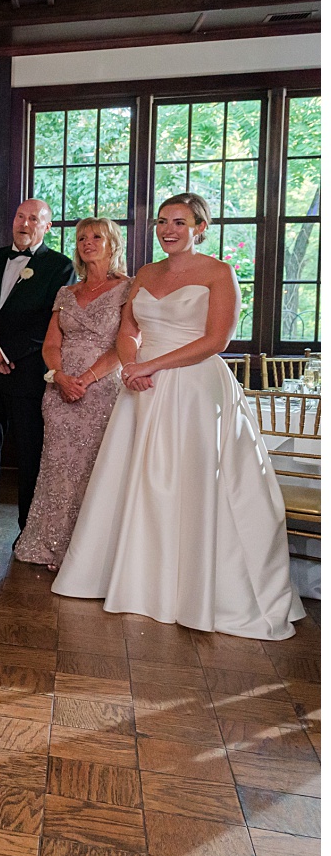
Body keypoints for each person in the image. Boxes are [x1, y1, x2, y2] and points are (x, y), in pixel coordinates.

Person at [53, 194, 304, 639]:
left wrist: (151, 365)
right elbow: (128, 329)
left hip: (193, 388)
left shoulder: (219, 273)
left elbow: (216, 340)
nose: (169, 230)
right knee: (135, 481)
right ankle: (133, 581)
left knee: (187, 483)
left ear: (200, 228)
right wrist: (131, 363)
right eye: (163, 221)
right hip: (141, 390)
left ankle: (192, 590)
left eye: (180, 223)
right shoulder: (146, 274)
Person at [0, 199, 76, 536]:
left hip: (26, 373)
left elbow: (47, 323)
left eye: (34, 218)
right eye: (20, 216)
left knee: (30, 452)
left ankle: (28, 525)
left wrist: (5, 352)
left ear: (47, 227)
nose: (24, 223)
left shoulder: (60, 267)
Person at [13, 218, 129, 571]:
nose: (87, 242)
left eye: (96, 237)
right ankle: (49, 544)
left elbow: (126, 346)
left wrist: (87, 378)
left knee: (95, 468)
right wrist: (59, 376)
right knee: (57, 469)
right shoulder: (67, 293)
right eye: (81, 238)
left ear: (113, 243)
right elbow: (51, 343)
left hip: (104, 390)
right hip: (59, 392)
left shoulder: (129, 289)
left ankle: (88, 552)